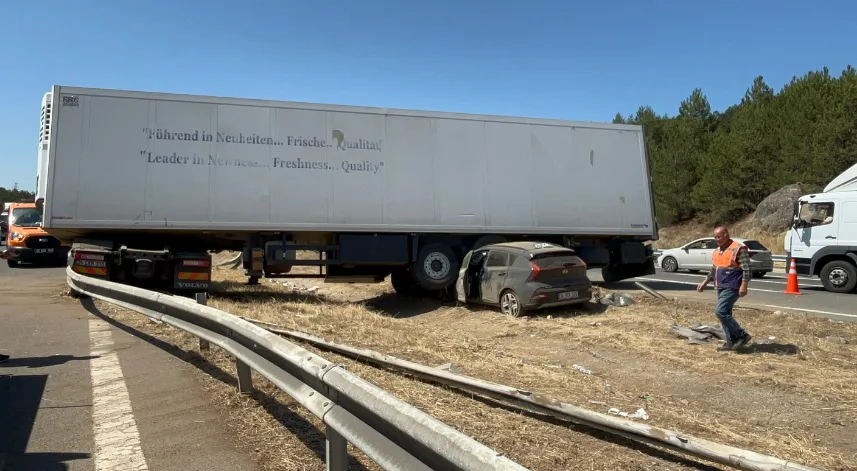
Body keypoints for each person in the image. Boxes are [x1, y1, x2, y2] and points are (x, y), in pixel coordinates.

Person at [696, 226, 753, 351]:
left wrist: (744, 285)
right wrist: (705, 282)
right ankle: (730, 342)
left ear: (727, 234)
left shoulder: (738, 248)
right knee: (725, 314)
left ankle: (742, 335)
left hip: (733, 286)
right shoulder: (717, 251)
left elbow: (747, 268)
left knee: (720, 311)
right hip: (721, 286)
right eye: (715, 237)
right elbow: (714, 270)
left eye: (719, 236)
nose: (717, 239)